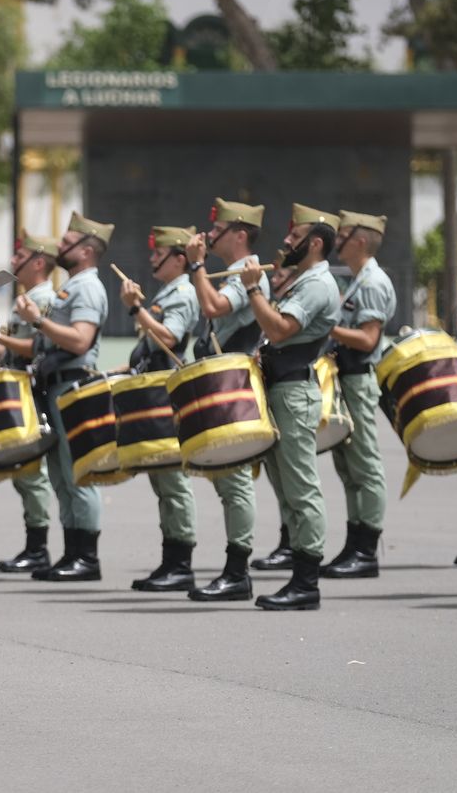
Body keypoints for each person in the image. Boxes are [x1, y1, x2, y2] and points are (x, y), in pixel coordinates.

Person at [242, 205, 341, 611]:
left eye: (295, 235)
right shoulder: (304, 281)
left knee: (301, 488)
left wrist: (253, 290)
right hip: (280, 389)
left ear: (315, 243)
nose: (286, 242)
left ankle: (307, 581)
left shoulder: (318, 284)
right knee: (287, 487)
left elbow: (280, 328)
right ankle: (299, 574)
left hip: (295, 392)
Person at [15, 212, 113, 582]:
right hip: (54, 384)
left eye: (68, 242)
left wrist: (38, 320)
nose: (60, 247)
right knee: (60, 474)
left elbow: (80, 340)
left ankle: (87, 557)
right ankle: (72, 551)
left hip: (72, 386)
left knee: (77, 475)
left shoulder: (87, 286)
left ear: (86, 251)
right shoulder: (71, 285)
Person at [181, 198, 266, 598]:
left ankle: (238, 571)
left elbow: (214, 306)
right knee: (225, 480)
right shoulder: (232, 271)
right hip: (220, 380)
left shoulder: (250, 273)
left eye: (218, 230)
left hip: (234, 383)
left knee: (235, 481)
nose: (209, 234)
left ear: (240, 234)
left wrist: (196, 266)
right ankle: (235, 568)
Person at [117, 225, 201, 592]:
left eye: (158, 254)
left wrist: (136, 308)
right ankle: (171, 559)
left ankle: (181, 562)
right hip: (152, 390)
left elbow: (169, 337)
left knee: (172, 481)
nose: (152, 259)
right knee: (161, 479)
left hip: (165, 392)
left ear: (178, 259)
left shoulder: (182, 292)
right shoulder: (169, 291)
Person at [320, 211, 397, 579]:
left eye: (344, 235)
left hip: (360, 377)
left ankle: (366, 548)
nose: (338, 241)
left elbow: (368, 338)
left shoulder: (372, 283)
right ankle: (354, 544)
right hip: (345, 377)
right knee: (348, 467)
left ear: (361, 241)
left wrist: (328, 326)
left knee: (364, 464)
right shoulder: (357, 282)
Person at [0, 233, 59, 573]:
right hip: (16, 385)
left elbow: (34, 348)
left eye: (21, 255)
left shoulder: (44, 298)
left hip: (30, 389)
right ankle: (34, 546)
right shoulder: (28, 297)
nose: (14, 260)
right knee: (23, 472)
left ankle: (38, 547)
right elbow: (12, 350)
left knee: (32, 472)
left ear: (39, 262)